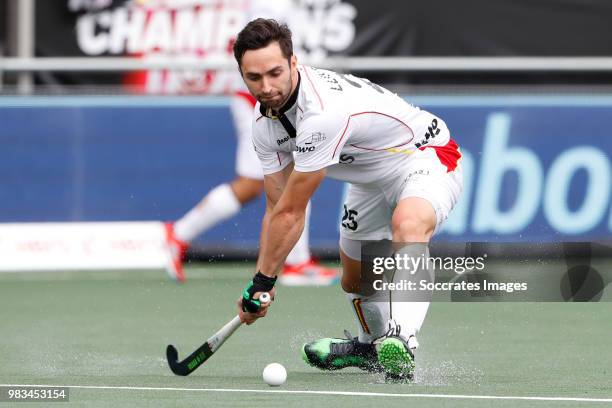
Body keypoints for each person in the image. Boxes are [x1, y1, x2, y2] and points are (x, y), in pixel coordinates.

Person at [232, 19, 463, 381]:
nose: (267, 87)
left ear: (294, 64)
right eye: (254, 78)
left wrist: (265, 279)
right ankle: (373, 348)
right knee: (355, 280)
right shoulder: (264, 128)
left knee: (409, 225)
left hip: (423, 154)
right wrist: (259, 285)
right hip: (369, 179)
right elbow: (277, 210)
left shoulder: (322, 113)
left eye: (275, 73)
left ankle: (402, 338)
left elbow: (293, 211)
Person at [164, 90, 340, 285]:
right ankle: (294, 263)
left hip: (283, 102)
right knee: (284, 181)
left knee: (277, 182)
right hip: (262, 103)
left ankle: (295, 262)